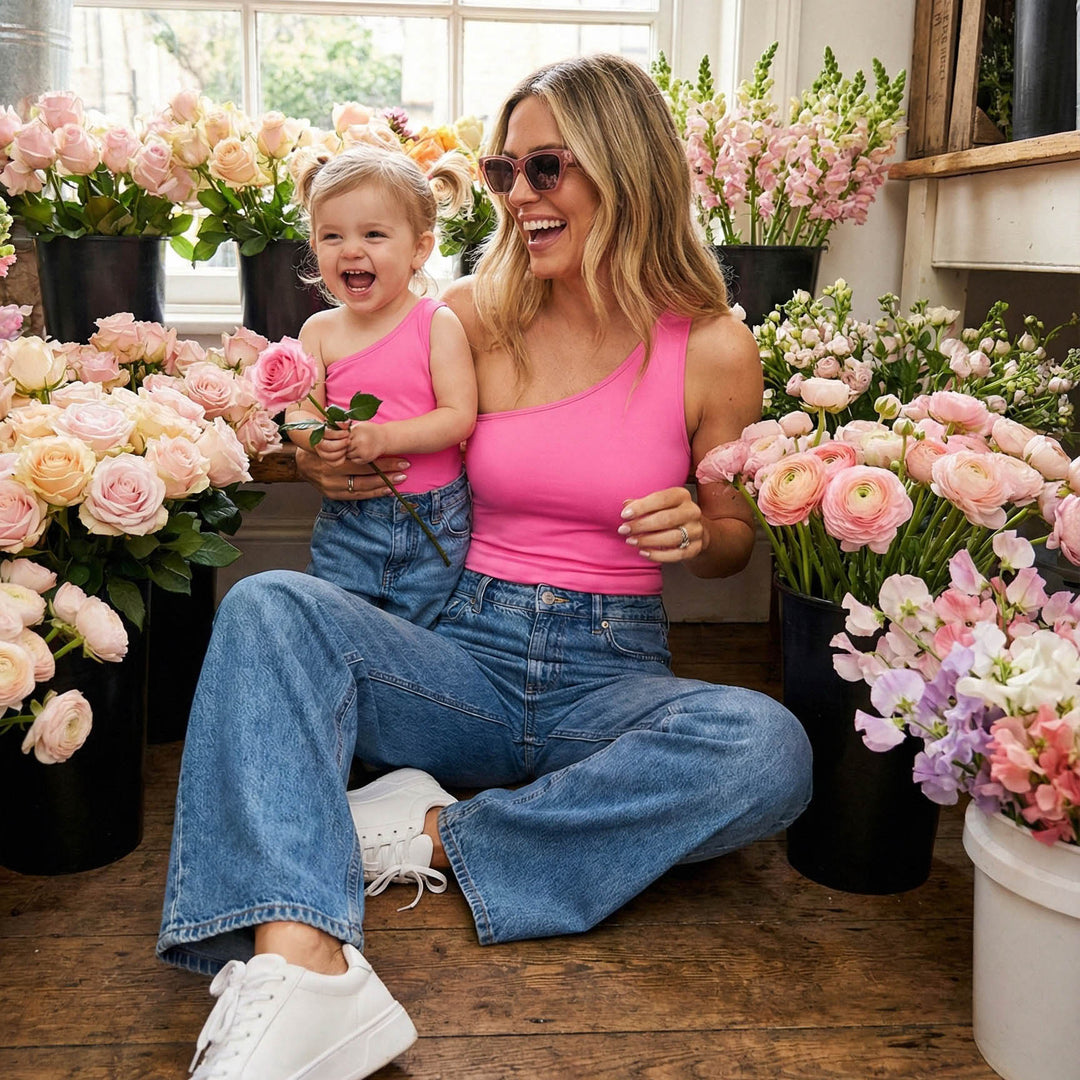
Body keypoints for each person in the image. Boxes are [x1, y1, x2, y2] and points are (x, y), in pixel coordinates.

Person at [160, 53, 813, 1080]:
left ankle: (426, 829)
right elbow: (367, 428)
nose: (516, 196)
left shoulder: (715, 345)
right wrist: (333, 465)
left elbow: (733, 550)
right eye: (504, 171)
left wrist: (700, 526)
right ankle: (304, 964)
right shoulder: (470, 314)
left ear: (625, 168)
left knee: (768, 750)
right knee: (270, 603)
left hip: (609, 675)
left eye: (545, 168)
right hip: (457, 656)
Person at [288, 145, 477, 627]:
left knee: (420, 635)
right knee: (332, 628)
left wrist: (385, 438)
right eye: (332, 236)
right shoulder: (320, 331)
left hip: (433, 520)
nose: (351, 250)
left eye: (373, 234)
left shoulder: (436, 323)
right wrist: (318, 437)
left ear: (419, 248)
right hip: (350, 522)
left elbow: (458, 417)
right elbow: (301, 413)